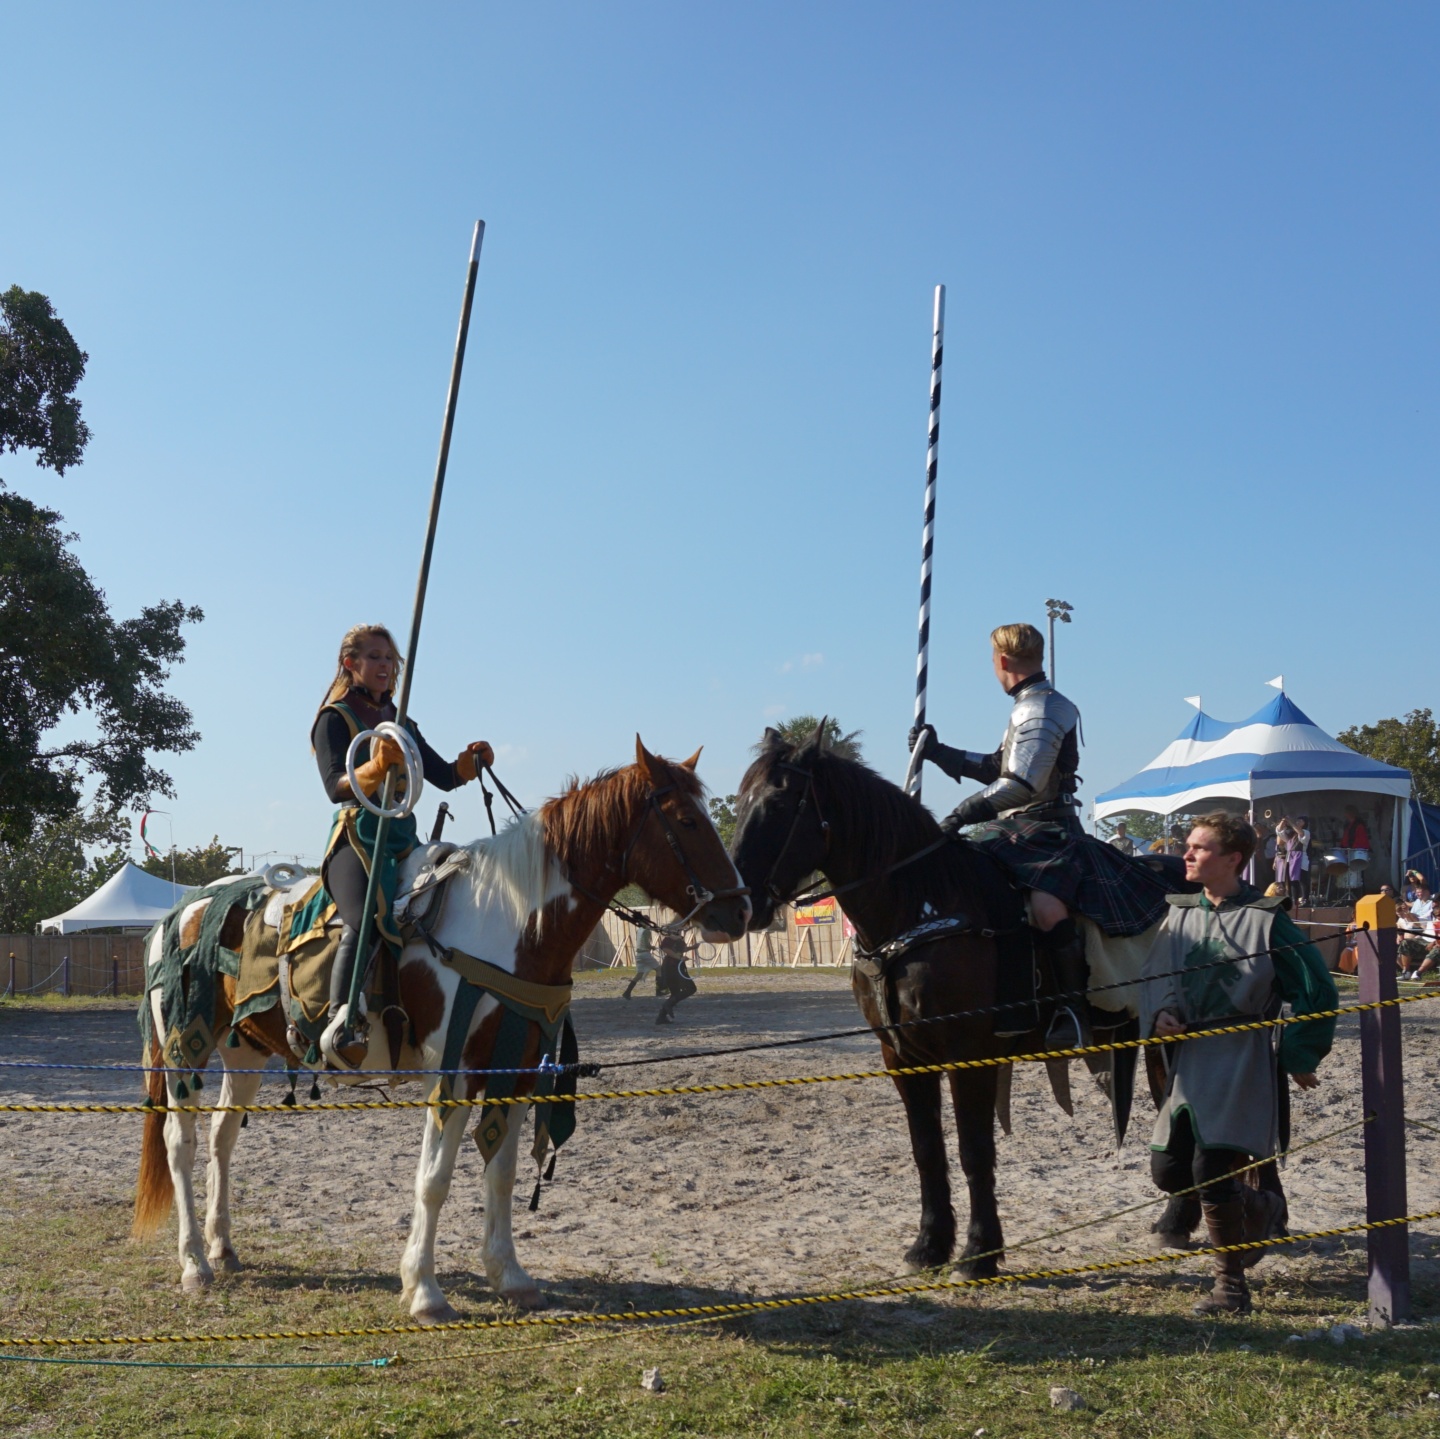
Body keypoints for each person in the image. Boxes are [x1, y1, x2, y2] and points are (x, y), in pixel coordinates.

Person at [908, 622, 1172, 1048]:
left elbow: (1021, 785)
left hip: (1048, 830)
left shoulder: (1043, 707)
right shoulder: (1026, 705)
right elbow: (999, 766)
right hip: (1011, 828)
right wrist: (940, 753)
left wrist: (959, 814)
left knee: (1047, 907)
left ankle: (1072, 1009)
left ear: (1003, 661)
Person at [1141, 812, 1337, 1316]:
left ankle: (1230, 1288)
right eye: (1188, 846)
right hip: (1186, 1060)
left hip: (1240, 1055)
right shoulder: (1178, 913)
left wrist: (1298, 1054)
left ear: (1232, 859)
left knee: (1211, 1166)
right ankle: (1259, 1205)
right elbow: (1154, 976)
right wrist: (1162, 1010)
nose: (1186, 855)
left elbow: (1315, 989)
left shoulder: (1268, 918)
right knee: (1168, 1171)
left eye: (1199, 848)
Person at [312, 624, 493, 1069]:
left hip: (401, 836)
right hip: (358, 837)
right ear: (350, 664)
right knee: (364, 920)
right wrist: (375, 765)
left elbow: (444, 775)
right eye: (374, 657)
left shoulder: (401, 720)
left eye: (390, 659)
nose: (385, 666)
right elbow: (336, 787)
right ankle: (343, 1019)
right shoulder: (335, 718)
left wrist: (470, 765)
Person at [654, 932, 698, 1024]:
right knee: (691, 988)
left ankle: (661, 1017)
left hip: (678, 966)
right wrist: (679, 958)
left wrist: (692, 947)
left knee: (676, 992)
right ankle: (667, 1004)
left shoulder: (679, 938)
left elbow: (681, 949)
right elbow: (665, 949)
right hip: (671, 967)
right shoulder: (669, 938)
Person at [1399, 881, 1438, 979]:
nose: (1432, 903)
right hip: (1425, 939)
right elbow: (1419, 923)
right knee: (1406, 943)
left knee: (1438, 949)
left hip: (1436, 942)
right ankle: (1406, 972)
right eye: (1432, 902)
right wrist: (1407, 914)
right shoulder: (1431, 913)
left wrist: (1434, 942)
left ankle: (1418, 973)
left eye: (1435, 902)